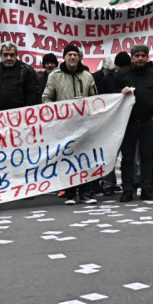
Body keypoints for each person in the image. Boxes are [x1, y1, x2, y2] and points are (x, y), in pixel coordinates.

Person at [42, 44, 98, 205]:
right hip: (64, 125)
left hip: (84, 124)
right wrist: (56, 114)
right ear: (64, 57)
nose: (72, 57)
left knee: (85, 158)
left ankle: (86, 192)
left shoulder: (87, 75)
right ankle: (70, 193)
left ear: (79, 58)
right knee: (68, 158)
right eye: (69, 55)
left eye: (75, 55)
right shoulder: (54, 76)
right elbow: (46, 97)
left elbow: (95, 98)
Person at [112, 46, 153, 202]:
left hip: (148, 122)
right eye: (136, 56)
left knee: (147, 156)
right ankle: (128, 189)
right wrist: (120, 92)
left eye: (143, 55)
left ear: (148, 57)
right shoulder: (122, 74)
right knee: (127, 157)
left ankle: (146, 188)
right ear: (132, 57)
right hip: (127, 122)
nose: (140, 58)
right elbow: (110, 93)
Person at [0, 42, 41, 112]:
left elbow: (32, 98)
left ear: (16, 55)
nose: (9, 58)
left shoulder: (27, 70)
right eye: (5, 54)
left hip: (20, 116)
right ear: (0, 55)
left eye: (12, 55)